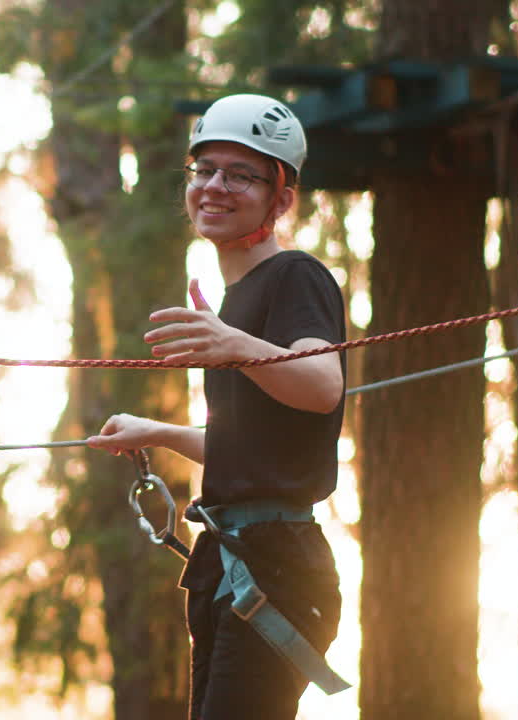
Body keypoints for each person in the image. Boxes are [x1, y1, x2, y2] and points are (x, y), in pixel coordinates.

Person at [86, 94, 347, 719]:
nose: (214, 187)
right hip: (235, 555)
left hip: (277, 560)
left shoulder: (295, 276)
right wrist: (163, 431)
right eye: (203, 171)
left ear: (281, 198)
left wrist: (235, 347)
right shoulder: (235, 303)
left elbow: (322, 384)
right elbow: (256, 447)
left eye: (241, 175)